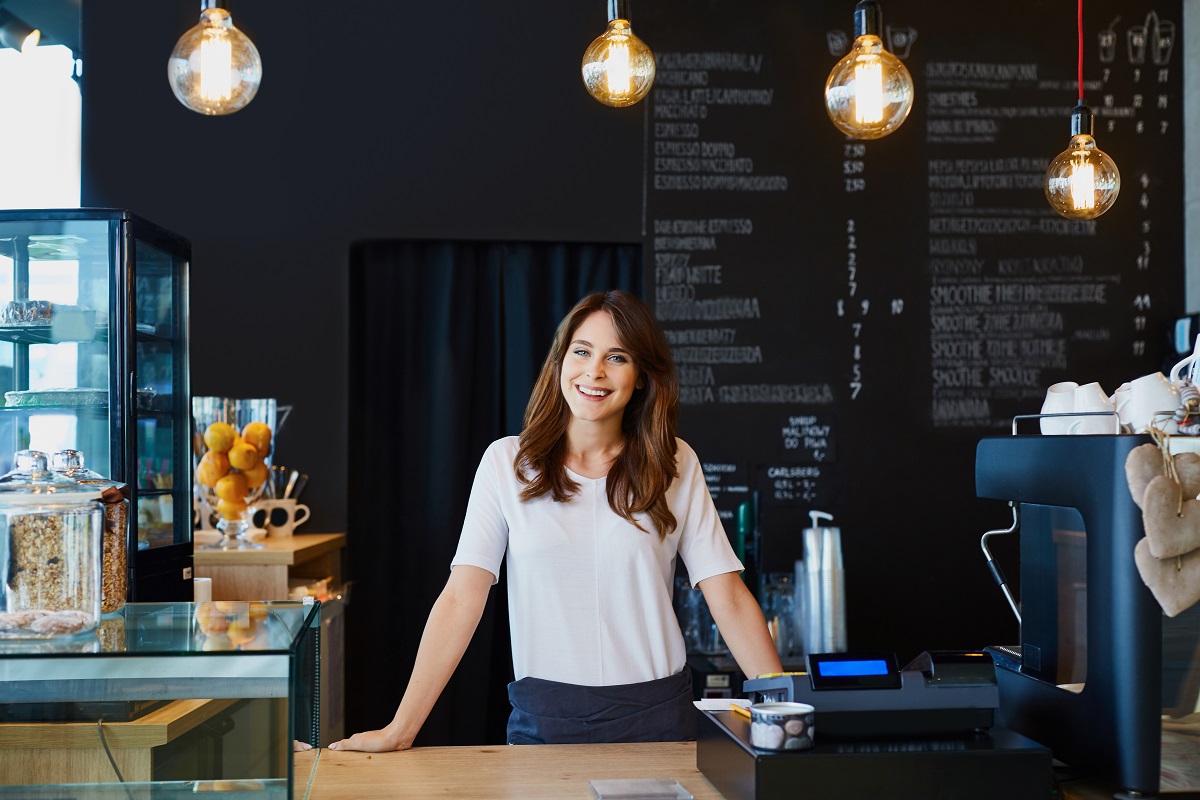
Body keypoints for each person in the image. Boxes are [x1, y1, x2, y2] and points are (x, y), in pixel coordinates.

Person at [329, 289, 782, 751]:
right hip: (545, 723)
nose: (594, 371)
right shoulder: (506, 463)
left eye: (617, 357)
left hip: (660, 719)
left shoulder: (674, 462)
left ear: (642, 375)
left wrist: (782, 713)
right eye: (581, 352)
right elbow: (460, 600)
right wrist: (400, 731)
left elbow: (727, 596)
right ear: (560, 361)